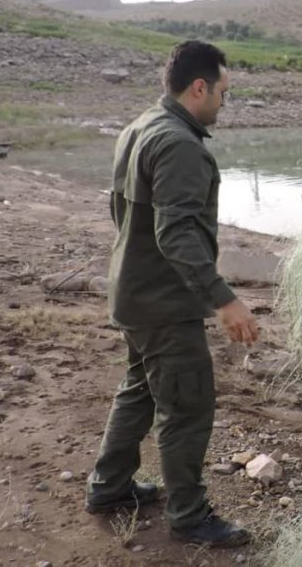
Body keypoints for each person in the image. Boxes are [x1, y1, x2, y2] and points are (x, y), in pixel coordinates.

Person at [85, 41, 259, 548]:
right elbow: (177, 234)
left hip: (133, 293)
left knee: (138, 390)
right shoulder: (181, 144)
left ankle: (109, 488)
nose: (225, 104)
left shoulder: (141, 125)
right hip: (163, 303)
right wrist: (224, 299)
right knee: (187, 405)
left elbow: (121, 213)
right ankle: (188, 515)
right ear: (199, 87)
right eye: (223, 93)